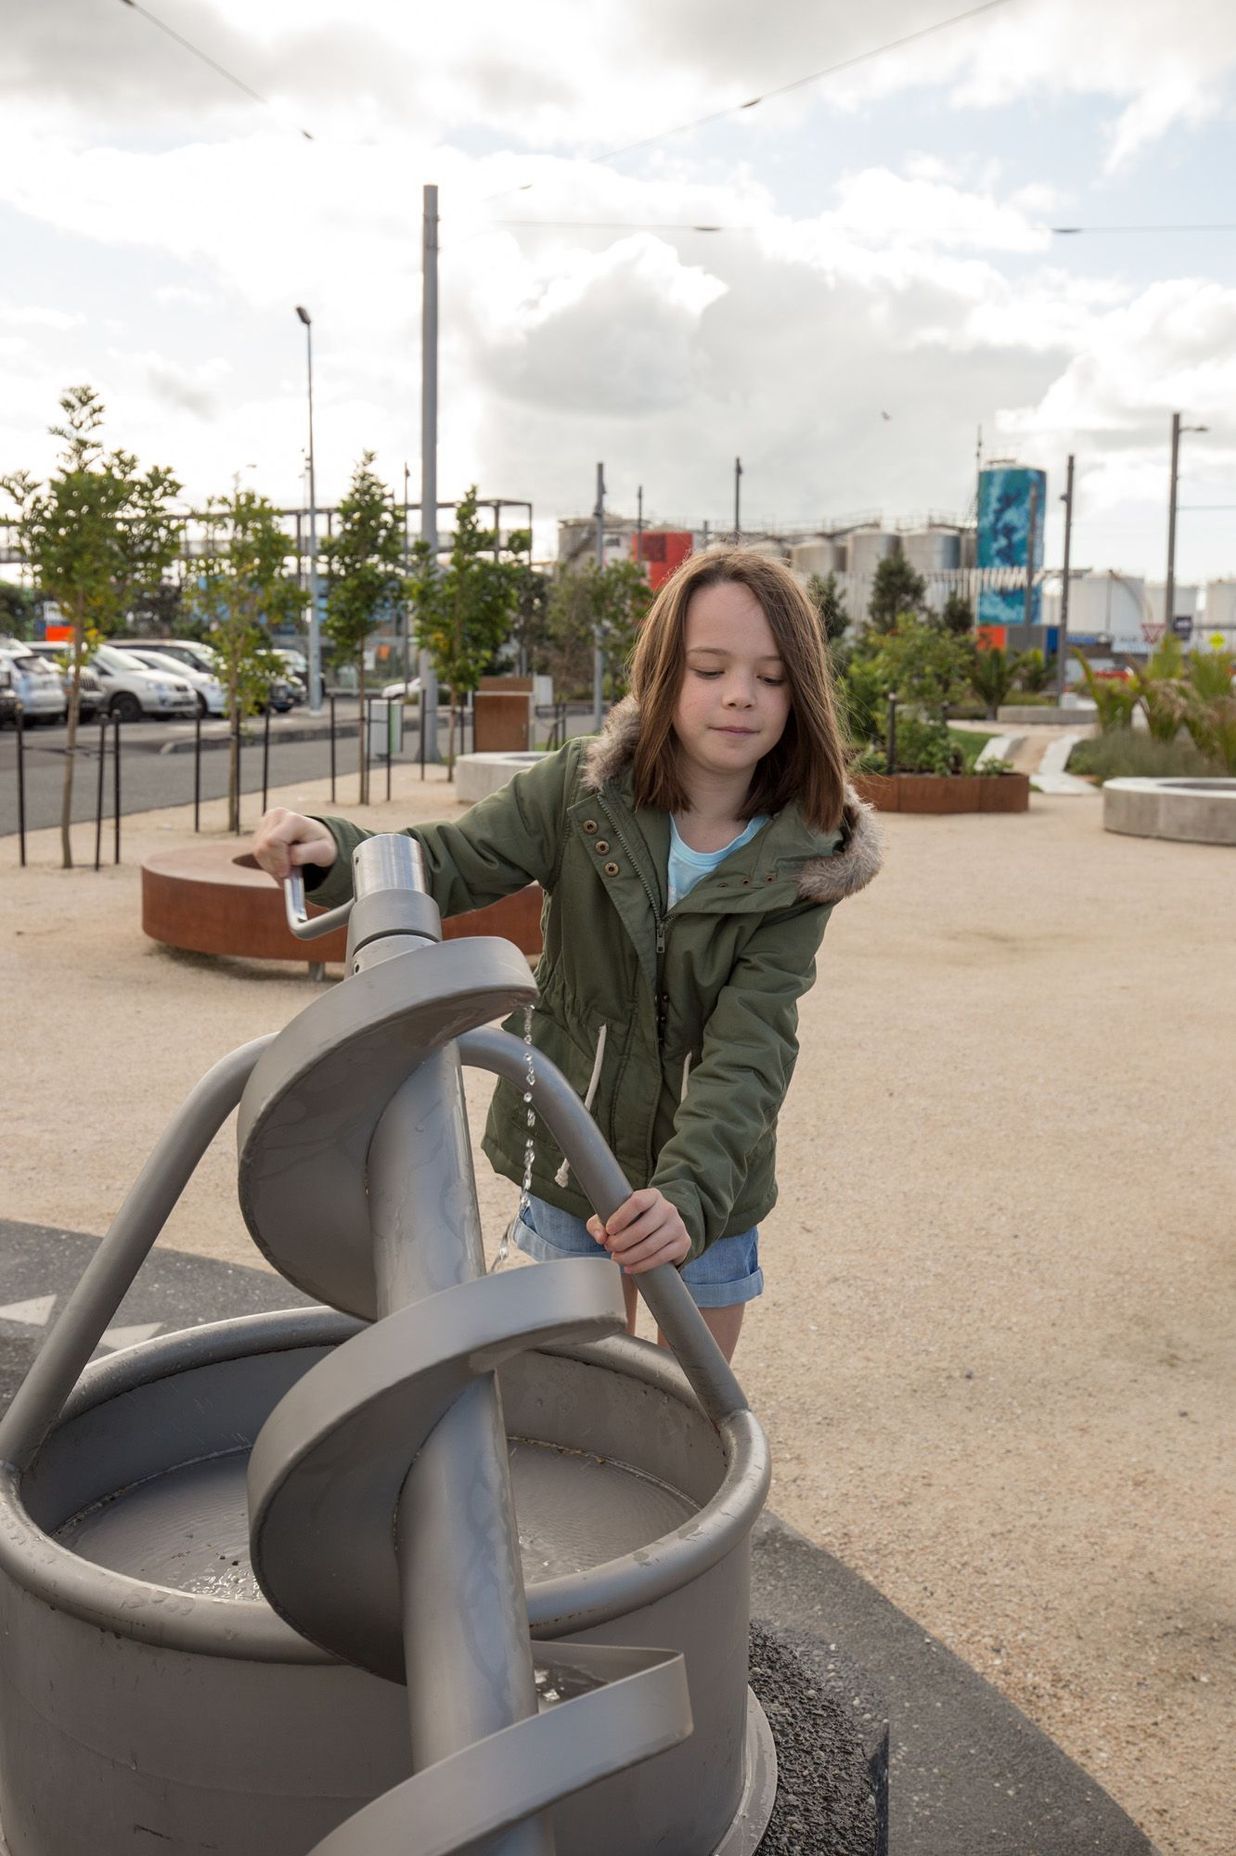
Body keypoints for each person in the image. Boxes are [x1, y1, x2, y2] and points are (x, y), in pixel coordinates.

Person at [252, 548, 881, 1361]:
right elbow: (449, 859)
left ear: (802, 692)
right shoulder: (579, 792)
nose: (738, 696)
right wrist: (336, 851)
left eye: (771, 676)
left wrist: (688, 1194)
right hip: (567, 1140)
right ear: (663, 675)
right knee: (582, 1377)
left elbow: (753, 1044)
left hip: (713, 1173)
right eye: (709, 668)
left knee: (693, 1388)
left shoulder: (803, 858)